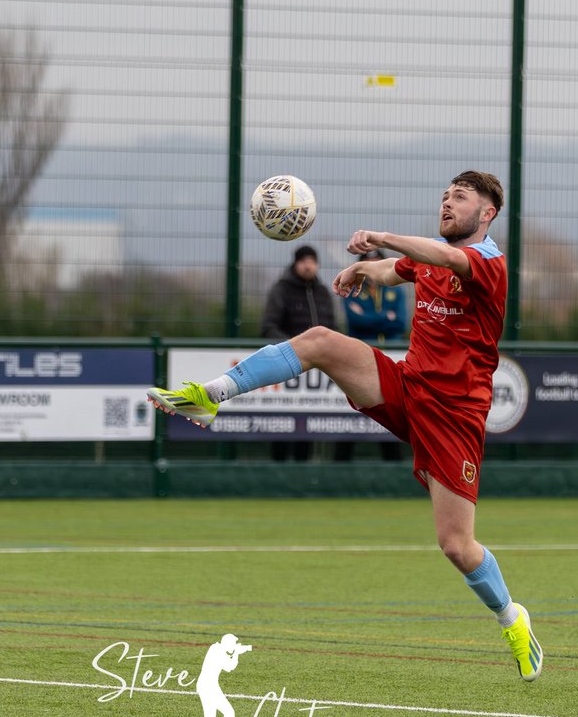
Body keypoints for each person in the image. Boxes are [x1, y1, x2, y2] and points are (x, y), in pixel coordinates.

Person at [148, 171, 543, 682]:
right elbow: (396, 271)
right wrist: (363, 270)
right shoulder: (426, 261)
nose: (447, 203)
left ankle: (511, 618)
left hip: (455, 418)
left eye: (460, 198)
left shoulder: (487, 264)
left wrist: (380, 237)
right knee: (319, 340)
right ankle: (210, 396)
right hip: (407, 388)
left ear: (486, 214)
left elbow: (441, 258)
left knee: (456, 546)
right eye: (444, 195)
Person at [260, 243, 338, 463]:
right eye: (303, 261)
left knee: (308, 423)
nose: (308, 265)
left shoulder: (322, 291)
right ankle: (278, 469)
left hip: (317, 368)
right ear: (295, 264)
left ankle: (303, 469)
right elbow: (268, 326)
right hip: (286, 364)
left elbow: (332, 327)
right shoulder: (281, 289)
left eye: (312, 261)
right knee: (282, 422)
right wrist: (292, 348)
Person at [336, 248, 408, 462]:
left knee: (392, 414)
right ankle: (340, 469)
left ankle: (394, 469)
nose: (374, 266)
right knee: (351, 416)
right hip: (361, 361)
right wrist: (385, 317)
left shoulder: (397, 290)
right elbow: (355, 321)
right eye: (369, 262)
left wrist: (370, 317)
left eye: (378, 261)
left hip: (392, 362)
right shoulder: (351, 289)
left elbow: (401, 323)